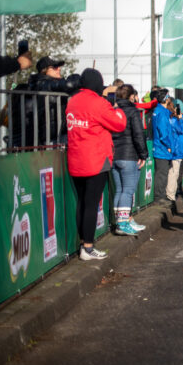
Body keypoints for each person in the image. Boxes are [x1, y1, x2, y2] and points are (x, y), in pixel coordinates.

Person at [65, 68, 127, 260]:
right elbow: (119, 124)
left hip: (75, 160)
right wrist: (115, 107)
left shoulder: (72, 101)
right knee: (92, 204)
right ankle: (88, 247)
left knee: (82, 203)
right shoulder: (99, 103)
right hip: (96, 160)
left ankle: (84, 243)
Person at [111, 84, 148, 235]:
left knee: (119, 190)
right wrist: (143, 154)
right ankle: (122, 223)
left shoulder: (113, 111)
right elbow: (139, 135)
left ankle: (123, 220)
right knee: (128, 191)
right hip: (129, 155)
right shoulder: (133, 111)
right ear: (131, 96)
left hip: (114, 155)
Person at [152, 94, 176, 208]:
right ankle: (159, 198)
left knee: (162, 173)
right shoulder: (162, 112)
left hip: (161, 147)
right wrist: (168, 145)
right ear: (166, 99)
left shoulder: (159, 111)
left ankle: (160, 196)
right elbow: (163, 132)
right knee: (162, 174)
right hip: (162, 148)